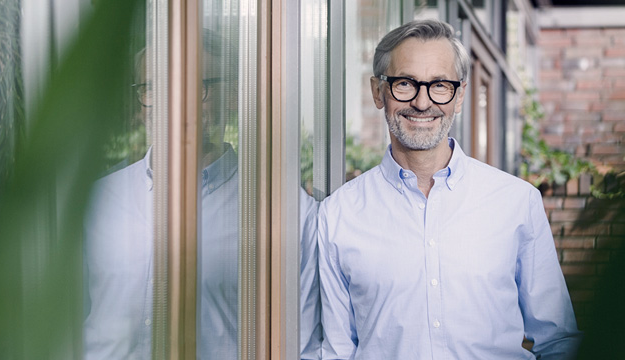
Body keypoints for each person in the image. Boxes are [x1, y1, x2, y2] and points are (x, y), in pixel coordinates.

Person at [317, 19, 582, 360]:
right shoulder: (337, 214)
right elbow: (337, 352)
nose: (423, 102)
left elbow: (559, 339)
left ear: (459, 96)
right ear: (378, 91)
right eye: (405, 83)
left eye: (439, 85)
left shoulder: (516, 202)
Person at [83, 29, 321, 360]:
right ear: (140, 102)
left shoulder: (285, 211)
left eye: (198, 87)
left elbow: (301, 348)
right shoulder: (97, 202)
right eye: (154, 88)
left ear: (233, 97)